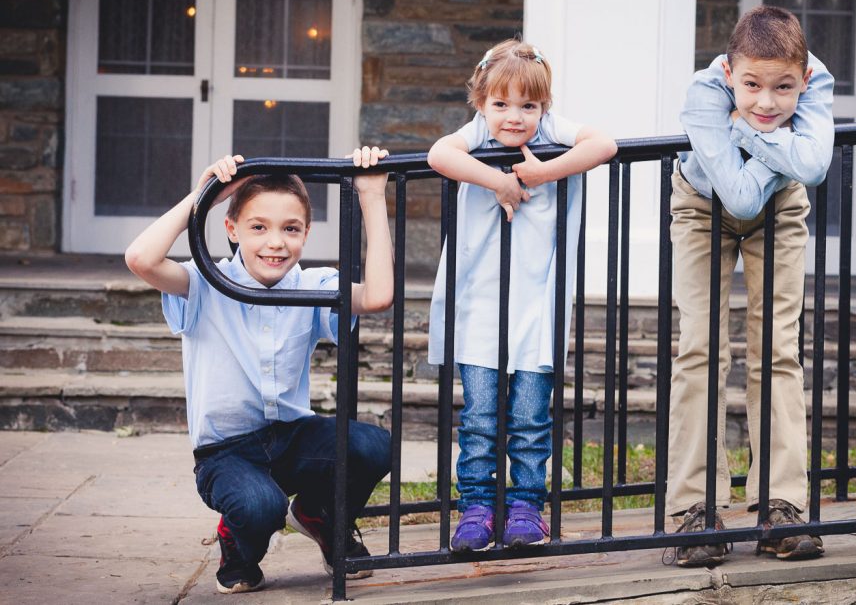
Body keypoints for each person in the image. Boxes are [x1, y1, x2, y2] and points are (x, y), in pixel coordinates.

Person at [124, 147, 393, 593]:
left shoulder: (311, 285)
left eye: (291, 229)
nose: (275, 242)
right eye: (258, 227)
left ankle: (318, 515)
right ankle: (238, 547)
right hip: (227, 453)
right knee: (259, 506)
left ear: (306, 233)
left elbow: (379, 296)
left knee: (373, 446)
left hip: (292, 438)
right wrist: (204, 197)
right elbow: (140, 259)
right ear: (231, 229)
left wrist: (371, 196)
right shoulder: (206, 282)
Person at [426, 39, 617, 551]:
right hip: (482, 301)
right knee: (481, 417)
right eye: (501, 104)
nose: (515, 117)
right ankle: (477, 508)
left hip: (540, 300)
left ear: (544, 107)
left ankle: (527, 506)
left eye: (528, 106)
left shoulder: (553, 134)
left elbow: (605, 145)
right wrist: (498, 181)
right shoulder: (475, 135)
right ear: (481, 104)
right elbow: (438, 154)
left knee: (531, 415)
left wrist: (540, 172)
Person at [667, 5, 835, 566]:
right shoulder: (701, 91)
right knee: (699, 351)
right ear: (727, 74)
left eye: (784, 88)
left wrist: (743, 129)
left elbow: (811, 170)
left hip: (781, 209)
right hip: (702, 205)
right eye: (751, 86)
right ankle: (696, 510)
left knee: (778, 350)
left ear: (804, 79)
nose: (766, 102)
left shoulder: (819, 79)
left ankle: (780, 506)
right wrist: (785, 146)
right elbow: (739, 194)